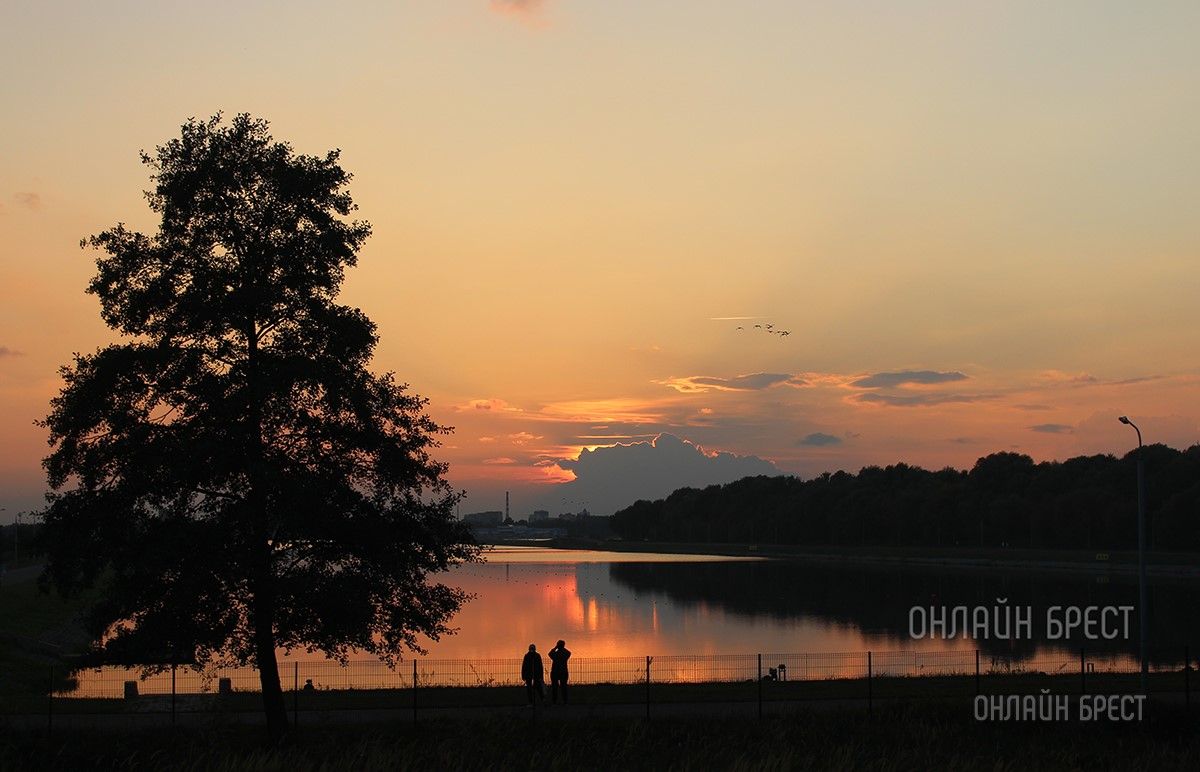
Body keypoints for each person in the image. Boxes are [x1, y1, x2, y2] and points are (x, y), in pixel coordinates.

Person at [549, 639, 571, 704]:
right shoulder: (565, 653)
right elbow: (569, 653)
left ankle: (554, 701)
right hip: (563, 672)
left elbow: (549, 654)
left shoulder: (555, 654)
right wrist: (562, 648)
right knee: (563, 687)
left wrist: (555, 648)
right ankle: (565, 701)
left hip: (555, 672)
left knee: (554, 688)